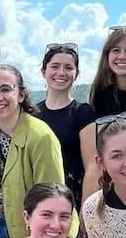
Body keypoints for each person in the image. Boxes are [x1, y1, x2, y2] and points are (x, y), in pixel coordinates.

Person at [0, 64, 69, 238]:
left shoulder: (41, 136)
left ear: (21, 94)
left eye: (6, 89)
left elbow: (52, 197)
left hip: (31, 233)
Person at [82, 26, 126, 205]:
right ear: (107, 56)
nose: (122, 56)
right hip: (112, 187)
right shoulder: (100, 96)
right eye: (116, 50)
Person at [35, 43, 97, 198]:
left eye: (68, 68)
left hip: (72, 197)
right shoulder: (32, 114)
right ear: (44, 71)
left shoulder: (83, 113)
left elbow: (92, 167)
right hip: (39, 198)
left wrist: (85, 211)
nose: (61, 72)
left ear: (76, 74)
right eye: (55, 66)